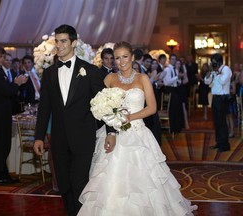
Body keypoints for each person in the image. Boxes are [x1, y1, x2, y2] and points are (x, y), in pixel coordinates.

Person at [78, 41, 197, 215]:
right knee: (111, 180)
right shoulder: (110, 79)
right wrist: (108, 115)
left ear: (132, 57)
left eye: (124, 57)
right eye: (117, 58)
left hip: (137, 132)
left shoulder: (142, 78)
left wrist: (128, 118)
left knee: (143, 182)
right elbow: (99, 103)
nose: (121, 61)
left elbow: (152, 107)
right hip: (113, 134)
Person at [33, 24, 116, 216]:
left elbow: (103, 104)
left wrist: (111, 131)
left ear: (74, 43)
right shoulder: (49, 73)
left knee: (80, 185)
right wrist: (39, 137)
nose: (59, 45)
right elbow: (44, 107)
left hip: (83, 139)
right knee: (64, 186)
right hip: (59, 140)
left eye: (63, 41)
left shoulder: (90, 71)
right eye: (57, 41)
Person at [0, 45, 27, 185]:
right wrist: (16, 83)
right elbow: (6, 92)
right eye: (0, 57)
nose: (3, 59)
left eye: (3, 56)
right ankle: (1, 176)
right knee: (2, 145)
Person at [204, 53, 232, 152]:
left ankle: (225, 145)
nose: (213, 64)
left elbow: (223, 81)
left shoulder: (226, 70)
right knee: (216, 122)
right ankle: (219, 143)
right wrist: (209, 72)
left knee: (222, 122)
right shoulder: (214, 70)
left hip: (222, 99)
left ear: (219, 62)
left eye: (214, 63)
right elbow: (206, 82)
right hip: (215, 98)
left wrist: (216, 72)